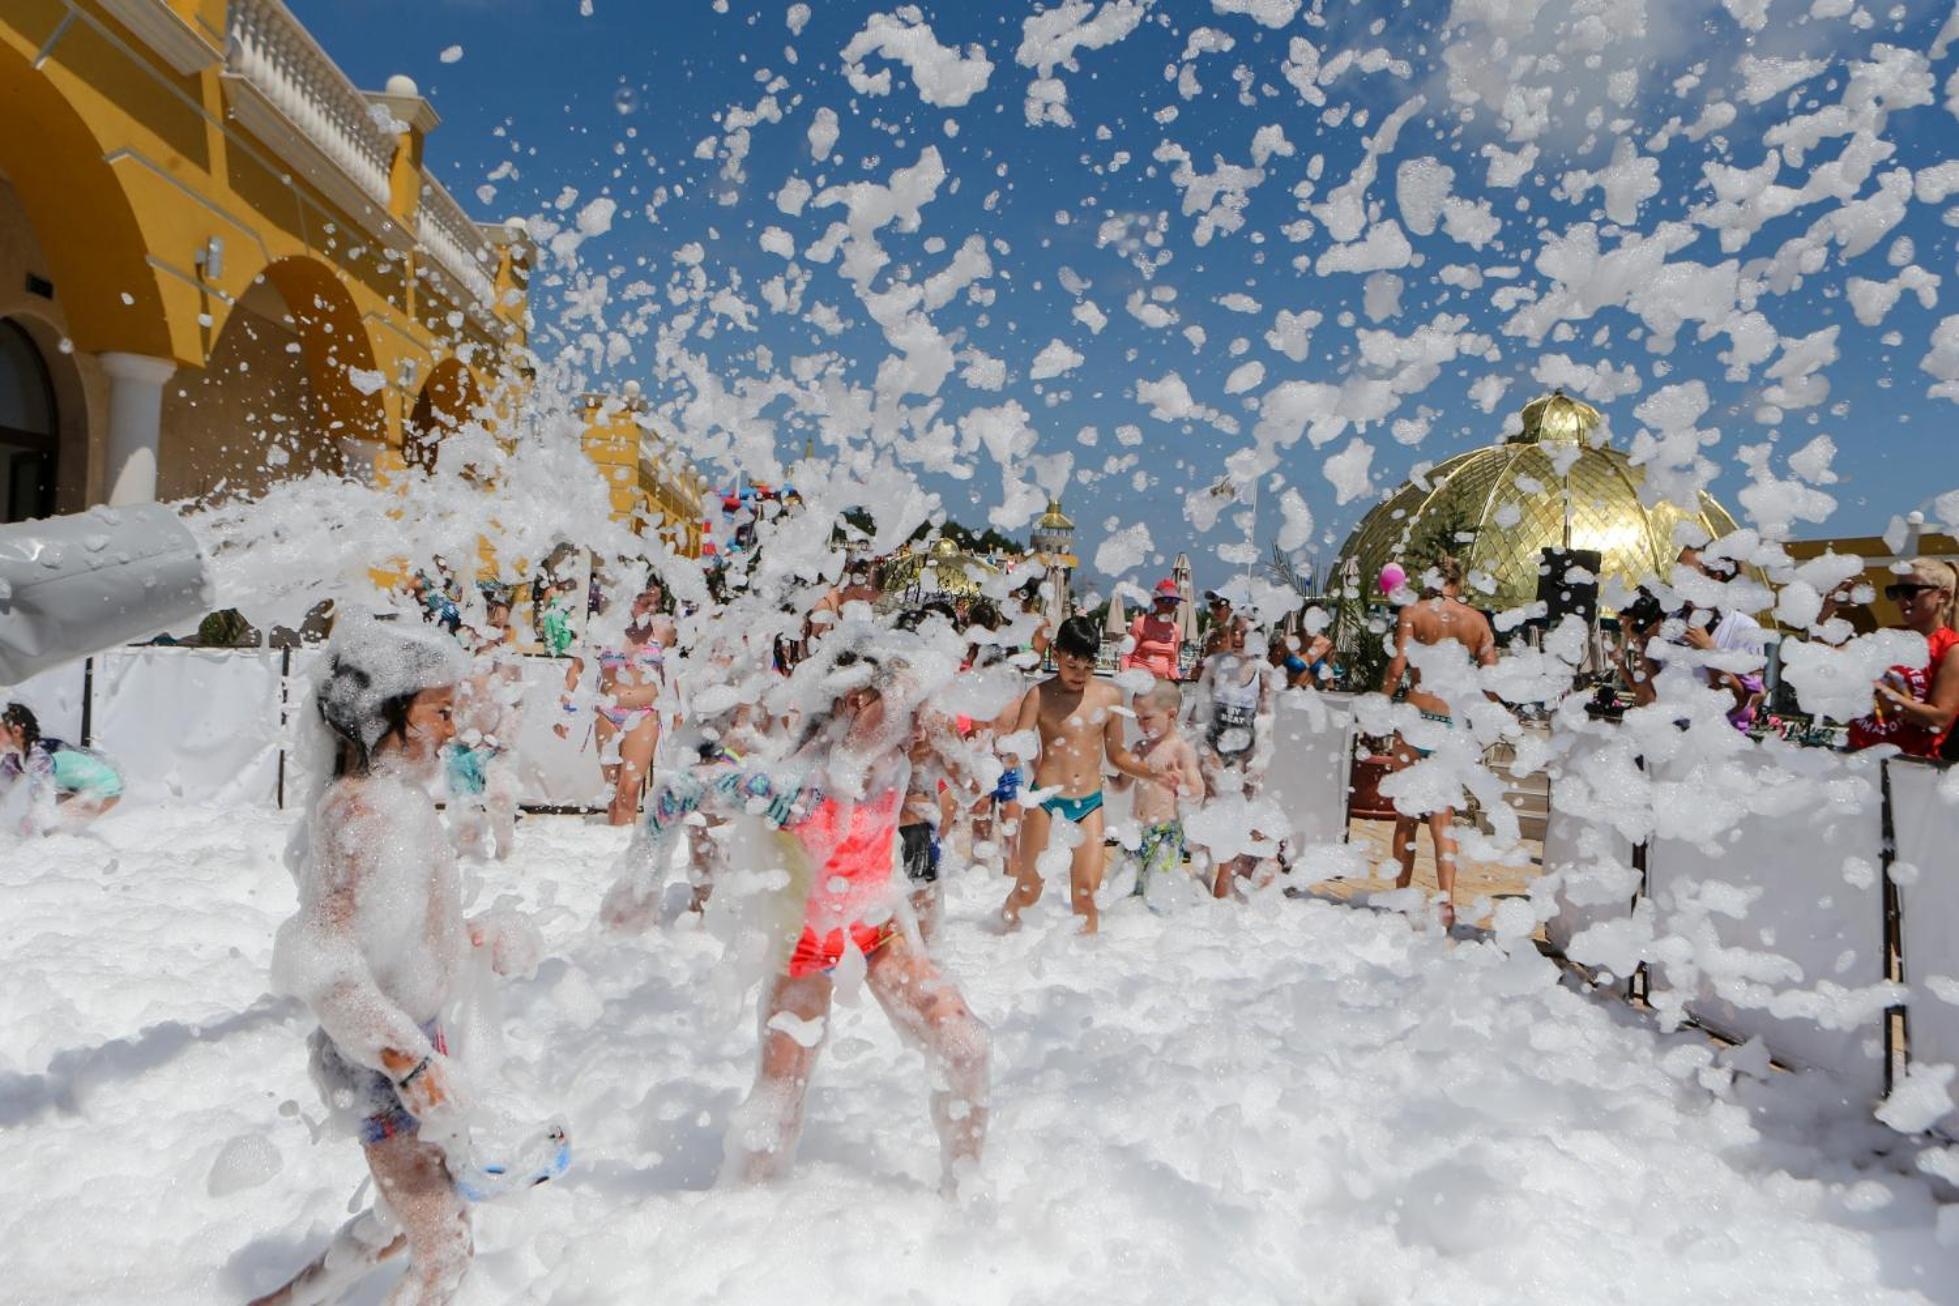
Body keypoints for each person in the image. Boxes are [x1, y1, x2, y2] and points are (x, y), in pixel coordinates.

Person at [610, 633, 990, 1193]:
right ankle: (745, 1214)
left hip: (877, 928)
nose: (911, 725)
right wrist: (638, 884)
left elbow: (978, 784)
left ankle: (968, 1192)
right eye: (901, 710)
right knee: (781, 1095)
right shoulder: (797, 786)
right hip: (805, 946)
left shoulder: (893, 760)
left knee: (966, 1045)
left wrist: (935, 728)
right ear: (852, 706)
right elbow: (676, 793)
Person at [250, 616, 542, 1306]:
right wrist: (410, 1063)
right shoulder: (358, 815)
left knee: (399, 1225)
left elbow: (394, 935)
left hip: (410, 1044)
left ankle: (284, 1302)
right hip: (378, 1063)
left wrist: (472, 937)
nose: (452, 727)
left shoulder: (399, 803)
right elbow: (327, 965)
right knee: (445, 1252)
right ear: (383, 712)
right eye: (439, 709)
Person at [999, 616, 1165, 934]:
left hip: (1090, 803)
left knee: (1086, 896)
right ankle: (1000, 939)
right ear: (1058, 654)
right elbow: (1019, 743)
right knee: (1028, 891)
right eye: (1073, 665)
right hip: (1045, 802)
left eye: (1088, 667)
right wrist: (1005, 756)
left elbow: (1117, 755)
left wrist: (1151, 772)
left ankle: (1086, 967)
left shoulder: (1108, 697)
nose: (1080, 674)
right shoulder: (1039, 696)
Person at [1378, 555, 1498, 930]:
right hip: (1449, 724)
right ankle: (1446, 901)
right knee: (1443, 821)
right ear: (1458, 584)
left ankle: (1402, 895)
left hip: (1415, 719)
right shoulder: (1477, 621)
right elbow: (1493, 682)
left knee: (1406, 817)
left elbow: (1397, 667)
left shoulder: (1414, 612)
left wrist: (1382, 703)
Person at [1186, 618, 1278, 899]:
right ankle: (1201, 875)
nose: (1238, 638)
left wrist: (1260, 758)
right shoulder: (1215, 665)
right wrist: (1192, 744)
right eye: (1234, 631)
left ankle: (1222, 881)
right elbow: (1200, 708)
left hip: (1243, 753)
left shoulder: (1263, 671)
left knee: (1235, 816)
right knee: (1207, 810)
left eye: (1246, 632)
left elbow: (1266, 716)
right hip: (1213, 747)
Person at [1848, 557, 1959, 758]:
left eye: (1910, 592)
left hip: (1910, 769)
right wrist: (1823, 617)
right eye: (1895, 592)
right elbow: (1831, 664)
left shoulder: (1951, 647)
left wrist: (1890, 697)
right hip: (1859, 758)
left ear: (1941, 595)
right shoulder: (1887, 634)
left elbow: (1940, 719)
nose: (1901, 600)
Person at [1108, 678, 1203, 907]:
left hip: (1165, 834)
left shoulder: (1181, 750)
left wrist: (1180, 785)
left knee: (1158, 896)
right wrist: (1099, 779)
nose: (1141, 724)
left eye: (1147, 717)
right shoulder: (1139, 748)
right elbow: (1121, 785)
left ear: (1171, 714)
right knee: (1123, 892)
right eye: (1138, 718)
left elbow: (1198, 792)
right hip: (1136, 832)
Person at [447, 591, 525, 861]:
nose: (501, 632)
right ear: (472, 627)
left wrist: (501, 736)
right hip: (461, 749)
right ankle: (467, 861)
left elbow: (516, 705)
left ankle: (505, 850)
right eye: (494, 626)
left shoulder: (510, 664)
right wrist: (458, 731)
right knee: (465, 815)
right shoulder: (459, 662)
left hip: (497, 749)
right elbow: (450, 703)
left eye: (506, 626)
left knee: (501, 799)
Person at [593, 578, 675, 826]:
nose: (650, 608)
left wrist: (678, 711)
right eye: (644, 602)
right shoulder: (606, 628)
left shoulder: (664, 630)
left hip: (644, 714)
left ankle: (622, 854)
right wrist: (565, 706)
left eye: (655, 603)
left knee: (629, 793)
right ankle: (612, 848)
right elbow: (579, 664)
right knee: (613, 791)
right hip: (608, 714)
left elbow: (672, 670)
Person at [0, 702, 123, 831]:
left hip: (106, 790)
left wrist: (38, 824)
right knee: (38, 824)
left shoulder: (39, 759)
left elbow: (41, 805)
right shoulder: (15, 757)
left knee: (45, 827)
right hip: (75, 787)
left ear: (17, 731)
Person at [1120, 579, 1185, 680]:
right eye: (1167, 600)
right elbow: (1126, 655)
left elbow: (1172, 663)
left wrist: (1177, 681)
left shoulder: (1176, 629)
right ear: (1157, 601)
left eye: (1175, 601)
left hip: (1161, 684)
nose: (1171, 605)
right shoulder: (1140, 623)